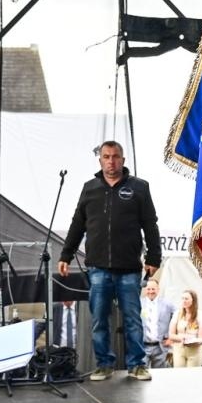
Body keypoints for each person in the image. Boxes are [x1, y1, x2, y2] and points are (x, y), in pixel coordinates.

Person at [56, 140, 162, 381]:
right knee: (99, 320)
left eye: (115, 156)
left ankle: (137, 364)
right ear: (100, 160)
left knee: (133, 319)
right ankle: (104, 364)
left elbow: (150, 224)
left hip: (129, 269)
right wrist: (66, 254)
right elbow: (77, 223)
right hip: (98, 268)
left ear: (123, 160)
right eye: (106, 156)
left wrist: (154, 256)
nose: (111, 161)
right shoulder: (90, 188)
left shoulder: (139, 187)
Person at [165, 289, 202, 367]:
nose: (184, 301)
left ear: (193, 300)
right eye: (182, 298)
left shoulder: (201, 315)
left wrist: (192, 341)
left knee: (193, 376)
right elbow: (171, 335)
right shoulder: (177, 314)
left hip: (194, 351)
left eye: (186, 299)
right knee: (180, 375)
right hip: (179, 350)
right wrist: (182, 338)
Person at [140, 278, 176, 368]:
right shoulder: (139, 303)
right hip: (143, 346)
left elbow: (179, 318)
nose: (151, 291)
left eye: (153, 289)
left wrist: (172, 338)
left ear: (158, 289)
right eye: (148, 289)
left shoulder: (167, 304)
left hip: (161, 347)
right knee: (142, 374)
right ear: (145, 290)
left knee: (161, 376)